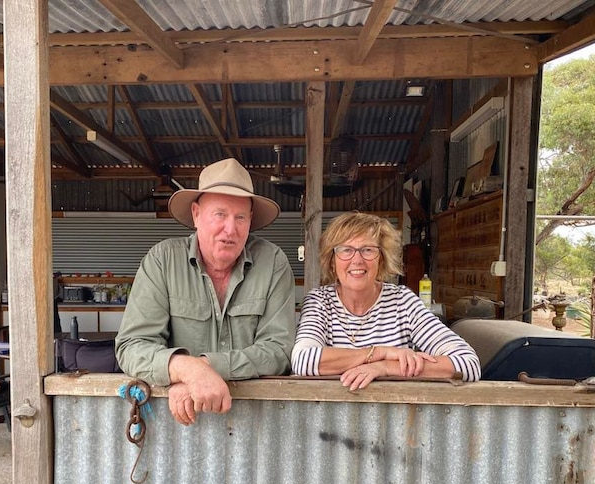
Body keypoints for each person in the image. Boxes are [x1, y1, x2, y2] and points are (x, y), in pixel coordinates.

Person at [115, 158, 296, 425]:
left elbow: (279, 350)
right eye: (220, 214)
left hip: (257, 425)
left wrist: (204, 368)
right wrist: (184, 369)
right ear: (197, 214)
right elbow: (131, 347)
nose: (230, 229)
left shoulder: (273, 263)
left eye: (240, 217)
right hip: (179, 425)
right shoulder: (162, 261)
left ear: (251, 220)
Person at [292, 211, 481, 389]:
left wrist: (384, 368)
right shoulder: (319, 302)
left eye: (367, 250)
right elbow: (302, 360)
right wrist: (381, 352)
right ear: (332, 261)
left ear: (382, 259)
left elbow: (467, 364)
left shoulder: (402, 302)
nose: (357, 260)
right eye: (346, 250)